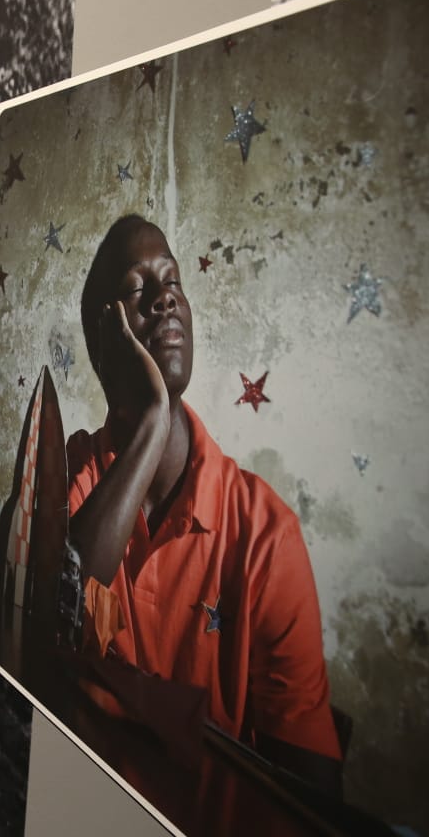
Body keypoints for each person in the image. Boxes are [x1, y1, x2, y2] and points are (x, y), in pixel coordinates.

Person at [67, 215, 342, 782]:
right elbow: (54, 613)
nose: (165, 298)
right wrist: (150, 426)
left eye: (173, 281)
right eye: (137, 288)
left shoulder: (266, 535)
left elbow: (310, 795)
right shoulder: (76, 473)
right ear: (102, 337)